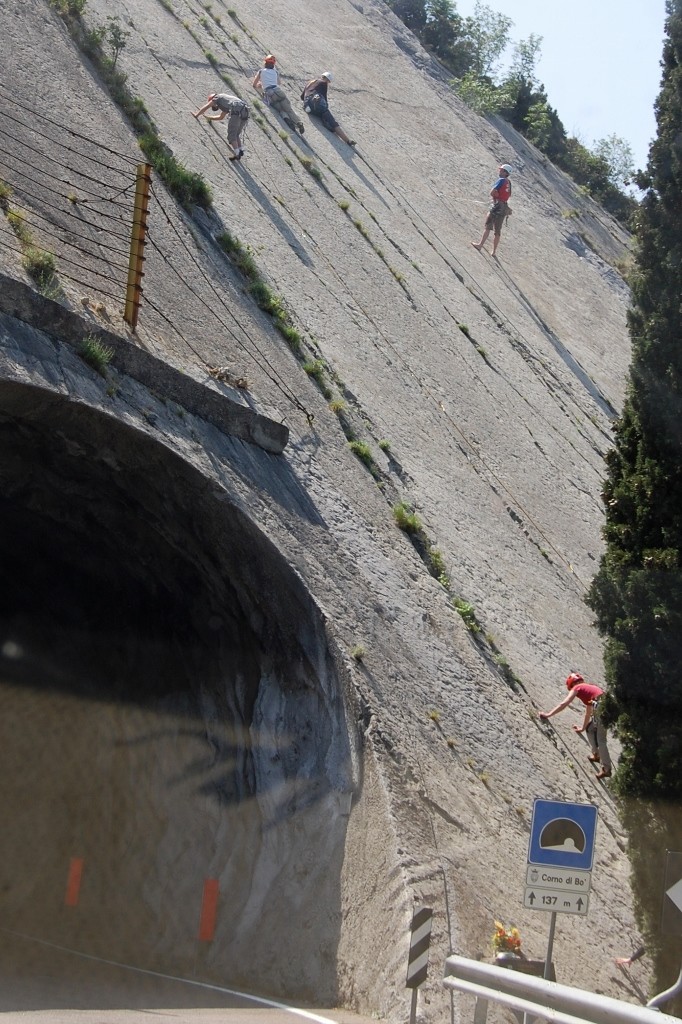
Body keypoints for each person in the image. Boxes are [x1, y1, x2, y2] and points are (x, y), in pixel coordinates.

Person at [538, 672, 613, 779]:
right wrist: (582, 728)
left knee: (601, 739)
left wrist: (548, 714)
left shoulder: (577, 688)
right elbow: (588, 713)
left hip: (601, 707)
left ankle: (607, 769)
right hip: (607, 706)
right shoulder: (589, 687)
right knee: (590, 729)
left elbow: (564, 703)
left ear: (571, 685)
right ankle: (596, 755)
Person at [253, 55, 305, 135]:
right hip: (278, 91)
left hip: (269, 94)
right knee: (289, 109)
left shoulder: (261, 71)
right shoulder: (276, 72)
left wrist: (260, 84)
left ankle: (287, 119)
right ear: (273, 64)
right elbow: (279, 83)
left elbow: (254, 84)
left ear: (265, 63)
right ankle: (298, 122)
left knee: (280, 109)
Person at [301, 71, 355, 146]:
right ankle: (347, 140)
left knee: (322, 113)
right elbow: (324, 99)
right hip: (315, 102)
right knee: (328, 116)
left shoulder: (310, 82)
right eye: (328, 81)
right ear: (327, 80)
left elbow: (302, 96)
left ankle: (327, 122)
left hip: (307, 105)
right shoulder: (323, 83)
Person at [192, 92, 249, 160]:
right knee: (236, 134)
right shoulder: (226, 101)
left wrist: (196, 115)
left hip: (236, 109)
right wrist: (209, 117)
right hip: (245, 110)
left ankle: (237, 153)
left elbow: (207, 106)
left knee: (232, 134)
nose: (215, 106)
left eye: (213, 105)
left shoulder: (217, 98)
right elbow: (220, 117)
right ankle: (240, 150)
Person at [472, 164, 513, 257]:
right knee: (497, 231)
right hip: (504, 207)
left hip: (497, 206)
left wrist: (496, 196)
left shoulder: (501, 180)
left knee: (488, 226)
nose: (500, 171)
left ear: (505, 172)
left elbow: (492, 192)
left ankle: (480, 245)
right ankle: (494, 252)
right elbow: (508, 195)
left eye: (501, 170)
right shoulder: (508, 182)